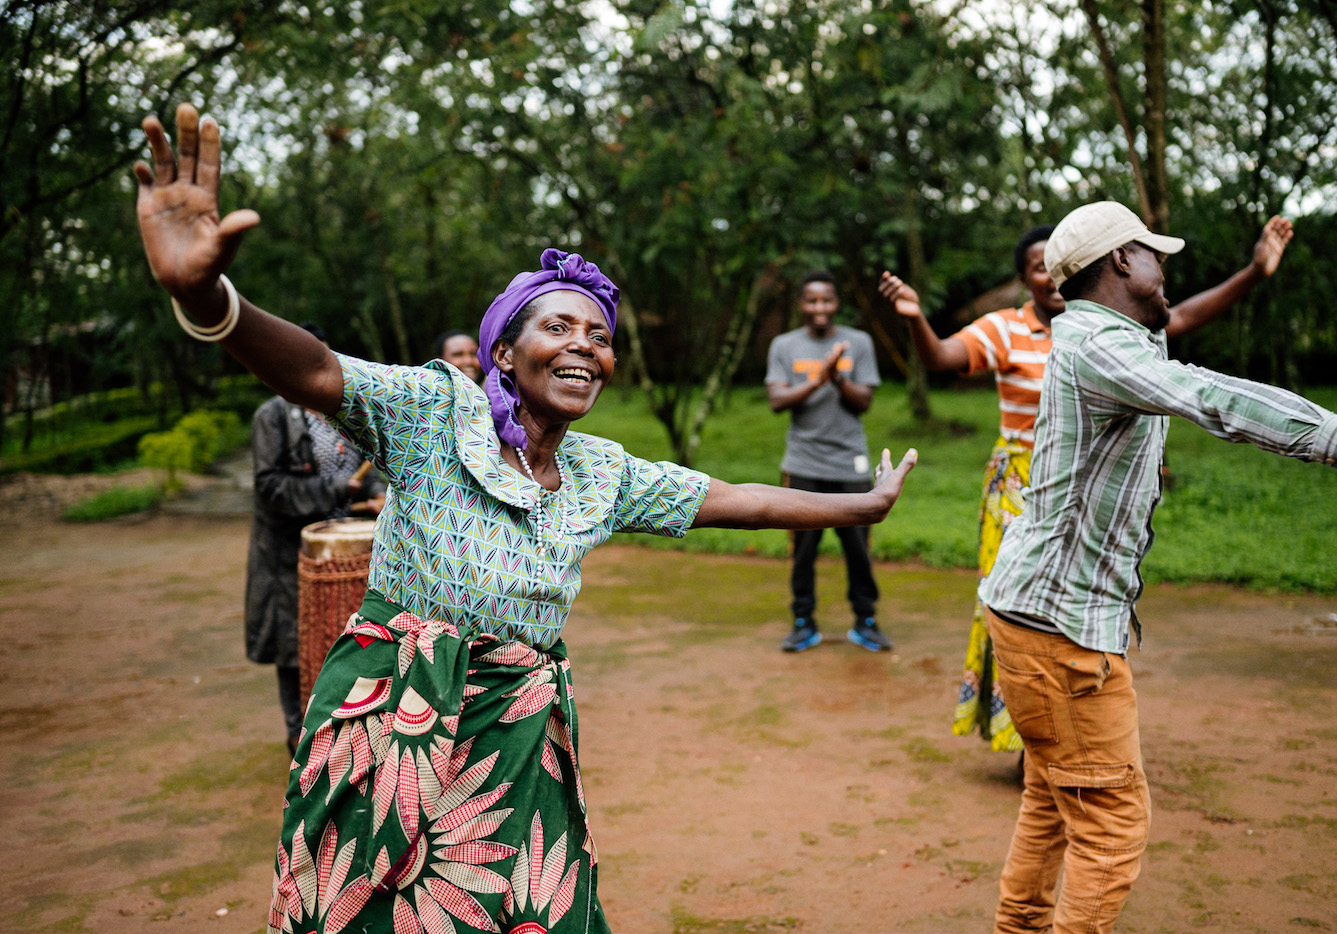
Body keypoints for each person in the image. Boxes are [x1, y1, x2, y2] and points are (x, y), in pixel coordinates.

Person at [133, 103, 918, 934]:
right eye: (559, 326)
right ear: (504, 350)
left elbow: (739, 499)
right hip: (390, 722)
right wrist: (210, 299)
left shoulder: (600, 472)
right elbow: (319, 371)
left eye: (601, 335)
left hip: (515, 746)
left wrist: (860, 503)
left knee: (529, 913)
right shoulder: (435, 412)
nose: (586, 346)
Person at [974, 200, 1337, 934]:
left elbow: (1182, 336)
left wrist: (1254, 272)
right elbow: (1214, 397)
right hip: (1058, 632)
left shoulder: (1110, 337)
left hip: (1039, 618)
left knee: (1052, 801)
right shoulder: (1101, 348)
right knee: (1111, 825)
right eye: (1153, 256)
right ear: (1119, 263)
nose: (1164, 270)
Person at [880, 214, 1293, 753]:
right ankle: (1029, 737)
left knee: (1081, 601)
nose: (1051, 277)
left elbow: (1184, 315)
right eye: (1037, 268)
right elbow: (941, 357)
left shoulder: (1112, 325)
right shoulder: (1004, 328)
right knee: (1015, 603)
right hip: (1019, 482)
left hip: (1091, 480)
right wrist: (915, 319)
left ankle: (1066, 725)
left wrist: (1255, 272)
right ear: (1026, 278)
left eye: (1059, 265)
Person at [245, 322, 384, 757]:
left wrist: (377, 495)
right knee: (296, 644)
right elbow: (270, 488)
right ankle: (298, 738)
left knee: (356, 639)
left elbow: (376, 464)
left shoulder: (347, 410)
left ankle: (354, 735)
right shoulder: (273, 416)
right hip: (291, 554)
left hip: (353, 551)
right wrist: (338, 492)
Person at [766, 270, 889, 653]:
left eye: (827, 300)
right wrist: (819, 379)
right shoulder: (784, 346)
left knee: (858, 548)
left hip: (849, 464)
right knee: (803, 550)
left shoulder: (858, 342)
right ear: (802, 305)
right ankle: (804, 623)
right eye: (812, 300)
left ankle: (865, 621)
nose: (820, 308)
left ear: (836, 303)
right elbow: (777, 401)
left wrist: (838, 379)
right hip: (802, 464)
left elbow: (864, 403)